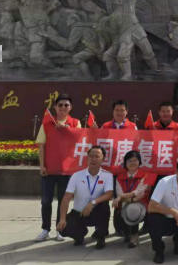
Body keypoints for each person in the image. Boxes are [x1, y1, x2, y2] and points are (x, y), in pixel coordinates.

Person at [35, 94, 82, 242]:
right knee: (46, 201)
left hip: (66, 170)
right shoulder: (47, 123)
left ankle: (59, 229)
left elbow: (79, 141)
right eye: (60, 105)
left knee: (63, 201)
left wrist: (67, 129)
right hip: (49, 170)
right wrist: (42, 165)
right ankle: (45, 229)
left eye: (66, 105)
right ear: (55, 107)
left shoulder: (76, 123)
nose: (63, 108)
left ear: (70, 107)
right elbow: (41, 146)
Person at [57, 146, 114, 249]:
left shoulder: (107, 176)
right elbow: (66, 198)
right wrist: (62, 219)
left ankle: (100, 236)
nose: (94, 159)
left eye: (97, 156)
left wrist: (92, 203)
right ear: (87, 158)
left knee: (105, 207)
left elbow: (109, 194)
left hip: (96, 211)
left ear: (103, 159)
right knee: (62, 228)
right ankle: (79, 235)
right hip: (79, 213)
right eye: (91, 156)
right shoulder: (77, 176)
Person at [112, 150, 151, 248]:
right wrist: (129, 199)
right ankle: (127, 232)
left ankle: (134, 235)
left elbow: (138, 192)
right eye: (130, 161)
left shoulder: (147, 175)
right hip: (125, 204)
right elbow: (120, 194)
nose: (133, 163)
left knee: (133, 209)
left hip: (141, 205)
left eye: (135, 160)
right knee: (121, 231)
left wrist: (121, 197)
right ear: (125, 163)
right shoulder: (119, 177)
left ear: (139, 162)